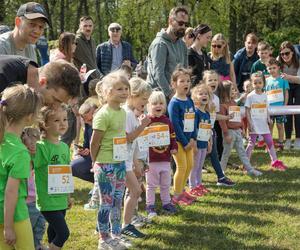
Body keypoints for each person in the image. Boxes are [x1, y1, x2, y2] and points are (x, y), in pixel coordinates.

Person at [90, 71, 131, 249]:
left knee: (117, 199)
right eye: (119, 89)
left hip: (119, 162)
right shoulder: (103, 114)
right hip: (105, 164)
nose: (124, 92)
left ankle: (116, 234)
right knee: (105, 202)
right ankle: (103, 238)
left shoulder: (122, 112)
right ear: (107, 92)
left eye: (126, 88)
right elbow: (94, 142)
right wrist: (95, 162)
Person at [0, 85, 42, 250]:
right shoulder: (20, 153)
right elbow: (11, 193)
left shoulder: (4, 141)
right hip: (15, 217)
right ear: (30, 117)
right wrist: (9, 227)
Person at [34, 105, 72, 249]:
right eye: (56, 120)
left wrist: (68, 196)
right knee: (63, 234)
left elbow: (66, 173)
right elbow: (30, 167)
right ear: (45, 124)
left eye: (65, 119)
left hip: (61, 200)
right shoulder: (40, 147)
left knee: (54, 232)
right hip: (48, 201)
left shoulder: (64, 147)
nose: (62, 123)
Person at [121, 78, 152, 238]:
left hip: (127, 161)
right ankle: (126, 224)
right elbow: (128, 138)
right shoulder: (127, 114)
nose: (146, 103)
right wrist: (143, 126)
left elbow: (132, 144)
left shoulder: (131, 114)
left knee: (135, 190)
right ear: (133, 95)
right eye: (144, 99)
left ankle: (128, 222)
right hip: (121, 161)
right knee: (135, 190)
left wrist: (135, 163)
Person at [245, 72, 287, 171]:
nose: (257, 85)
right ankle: (246, 163)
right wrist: (250, 123)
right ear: (252, 84)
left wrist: (268, 118)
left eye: (259, 83)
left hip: (264, 124)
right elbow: (247, 110)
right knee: (251, 143)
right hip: (254, 124)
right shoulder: (250, 96)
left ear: (263, 83)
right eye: (255, 83)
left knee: (269, 141)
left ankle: (275, 161)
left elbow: (266, 108)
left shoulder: (265, 95)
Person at [218, 80, 262, 176]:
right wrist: (226, 134)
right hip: (229, 132)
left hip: (237, 131)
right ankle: (221, 172)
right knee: (226, 153)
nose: (235, 91)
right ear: (225, 92)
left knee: (242, 151)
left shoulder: (234, 102)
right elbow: (222, 122)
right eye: (232, 89)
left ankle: (250, 169)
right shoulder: (222, 106)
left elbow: (238, 117)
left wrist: (241, 128)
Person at [0, 55, 81, 107]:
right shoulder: (5, 76)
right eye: (55, 100)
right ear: (43, 82)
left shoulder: (29, 70)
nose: (55, 107)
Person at [145, 91, 178, 218]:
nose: (158, 106)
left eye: (161, 103)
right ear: (148, 105)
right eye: (154, 103)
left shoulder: (167, 121)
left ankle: (166, 203)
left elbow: (173, 136)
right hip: (151, 160)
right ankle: (150, 205)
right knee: (151, 185)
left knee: (165, 183)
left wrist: (174, 147)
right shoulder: (146, 121)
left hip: (165, 159)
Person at [168, 67, 197, 206]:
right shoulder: (174, 103)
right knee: (182, 166)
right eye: (182, 81)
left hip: (189, 141)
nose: (186, 84)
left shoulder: (189, 100)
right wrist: (185, 142)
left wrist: (193, 138)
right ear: (174, 84)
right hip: (179, 142)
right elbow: (175, 125)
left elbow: (193, 120)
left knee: (190, 165)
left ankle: (182, 190)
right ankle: (176, 195)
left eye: (188, 81)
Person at [147, 6, 189, 100]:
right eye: (180, 23)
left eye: (186, 24)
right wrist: (171, 95)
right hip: (159, 97)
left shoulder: (182, 44)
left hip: (177, 95)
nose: (183, 27)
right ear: (170, 21)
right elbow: (158, 74)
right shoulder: (160, 44)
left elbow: (185, 71)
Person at [202, 70, 235, 186]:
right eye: (210, 80)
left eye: (215, 80)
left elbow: (213, 116)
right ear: (204, 82)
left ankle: (221, 177)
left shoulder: (216, 98)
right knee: (198, 157)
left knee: (214, 154)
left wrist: (226, 117)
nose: (213, 82)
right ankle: (193, 181)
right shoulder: (200, 97)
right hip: (200, 132)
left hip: (211, 131)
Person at [21, 128, 47, 250]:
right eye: (29, 146)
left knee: (40, 226)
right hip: (27, 202)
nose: (33, 148)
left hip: (40, 200)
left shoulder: (40, 160)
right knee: (29, 227)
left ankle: (37, 245)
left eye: (35, 146)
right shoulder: (23, 162)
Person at [188, 84, 212, 196]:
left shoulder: (207, 113)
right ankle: (192, 186)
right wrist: (195, 144)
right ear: (195, 97)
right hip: (197, 144)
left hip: (204, 144)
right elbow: (193, 129)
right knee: (195, 166)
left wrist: (209, 142)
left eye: (206, 94)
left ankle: (199, 184)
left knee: (200, 165)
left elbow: (208, 129)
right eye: (201, 93)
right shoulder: (196, 112)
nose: (204, 95)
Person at [278, 41, 300, 150]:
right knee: (286, 112)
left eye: (287, 53)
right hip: (286, 87)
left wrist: (288, 77)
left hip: (298, 86)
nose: (284, 56)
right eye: (282, 54)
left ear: (292, 52)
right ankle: (287, 138)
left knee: (298, 111)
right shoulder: (279, 61)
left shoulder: (298, 61)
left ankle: (298, 139)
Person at [265, 58, 289, 150]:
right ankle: (269, 145)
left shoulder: (283, 79)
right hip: (270, 109)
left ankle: (280, 143)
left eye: (274, 68)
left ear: (278, 67)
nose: (272, 70)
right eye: (269, 68)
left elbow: (286, 92)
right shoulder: (267, 80)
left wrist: (285, 105)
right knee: (270, 125)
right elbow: (265, 94)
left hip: (280, 108)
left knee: (280, 125)